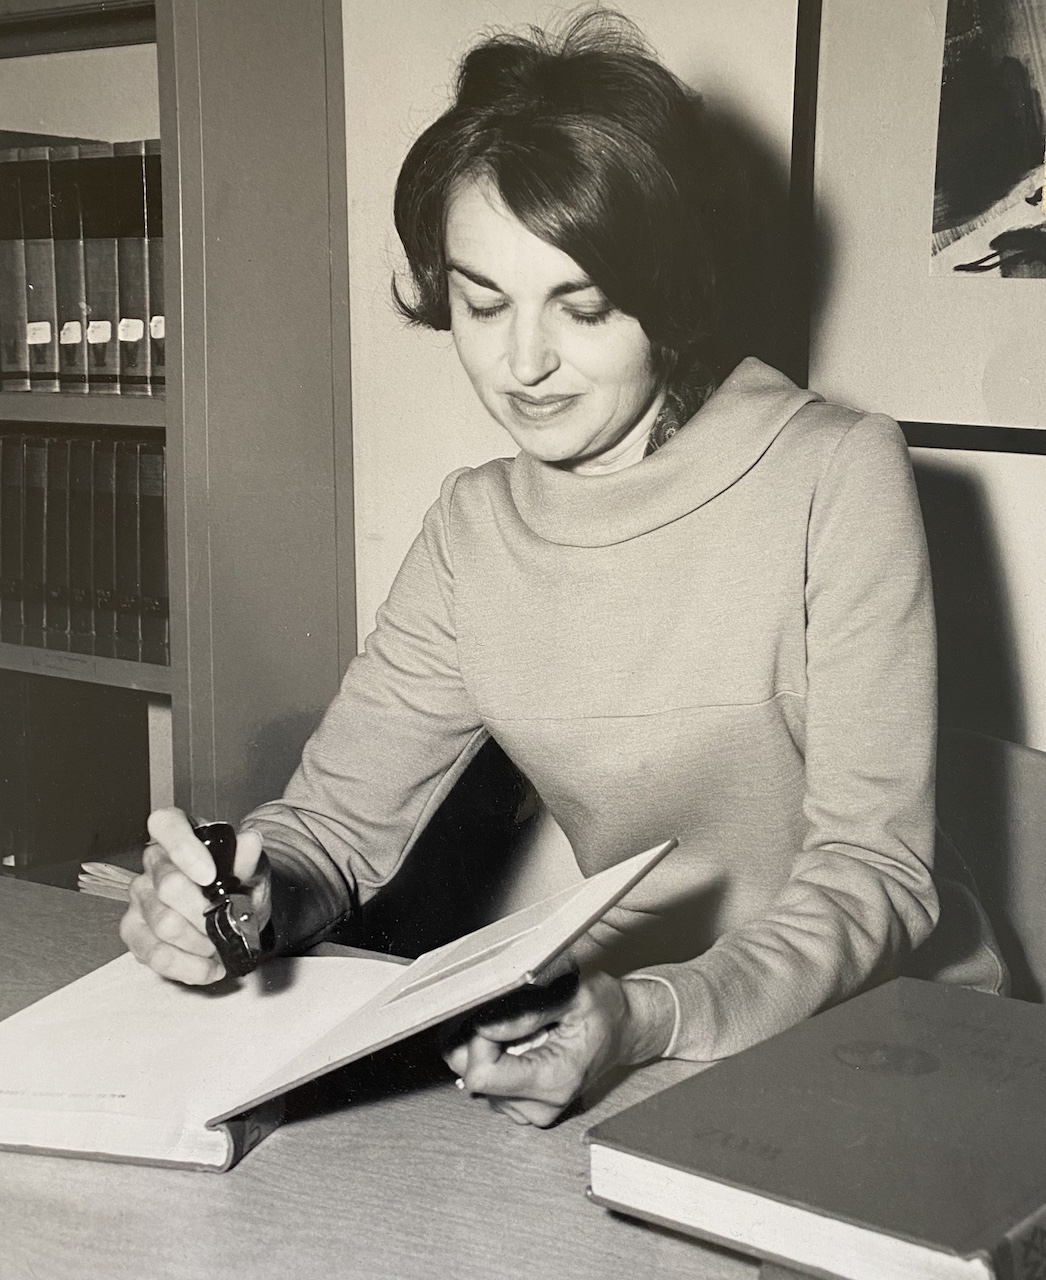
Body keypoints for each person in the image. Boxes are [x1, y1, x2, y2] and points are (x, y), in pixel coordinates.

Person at [121, 10, 1006, 1128]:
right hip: (642, 1040)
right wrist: (242, 898)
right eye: (480, 301)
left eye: (579, 304)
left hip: (902, 1047)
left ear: (669, 288)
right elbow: (333, 831)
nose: (521, 360)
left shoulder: (834, 471)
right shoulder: (474, 529)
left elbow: (874, 872)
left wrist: (652, 1013)